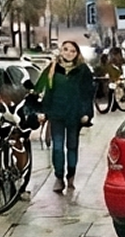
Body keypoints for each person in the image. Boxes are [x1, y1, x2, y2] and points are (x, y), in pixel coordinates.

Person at [39, 40, 94, 193]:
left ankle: (71, 176)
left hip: (74, 115)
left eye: (72, 51)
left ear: (77, 53)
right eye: (66, 49)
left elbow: (88, 94)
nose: (69, 53)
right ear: (61, 51)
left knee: (72, 146)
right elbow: (47, 91)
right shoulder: (53, 68)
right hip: (56, 113)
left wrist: (86, 113)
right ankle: (58, 177)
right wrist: (43, 111)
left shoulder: (83, 70)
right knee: (57, 147)